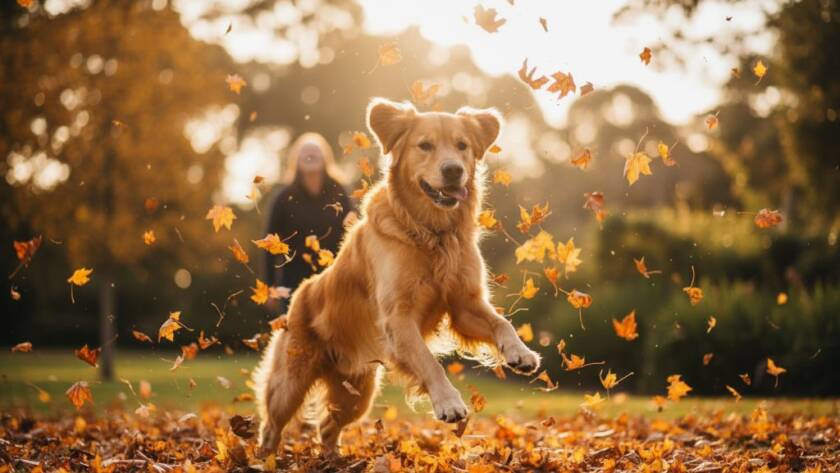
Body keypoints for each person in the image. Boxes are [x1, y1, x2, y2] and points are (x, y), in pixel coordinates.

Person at [264, 132, 355, 310]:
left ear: (325, 157)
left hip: (333, 279)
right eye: (305, 151)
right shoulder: (283, 198)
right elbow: (269, 244)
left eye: (315, 150)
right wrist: (270, 286)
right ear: (296, 160)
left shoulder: (340, 192)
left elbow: (353, 235)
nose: (310, 154)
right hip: (292, 282)